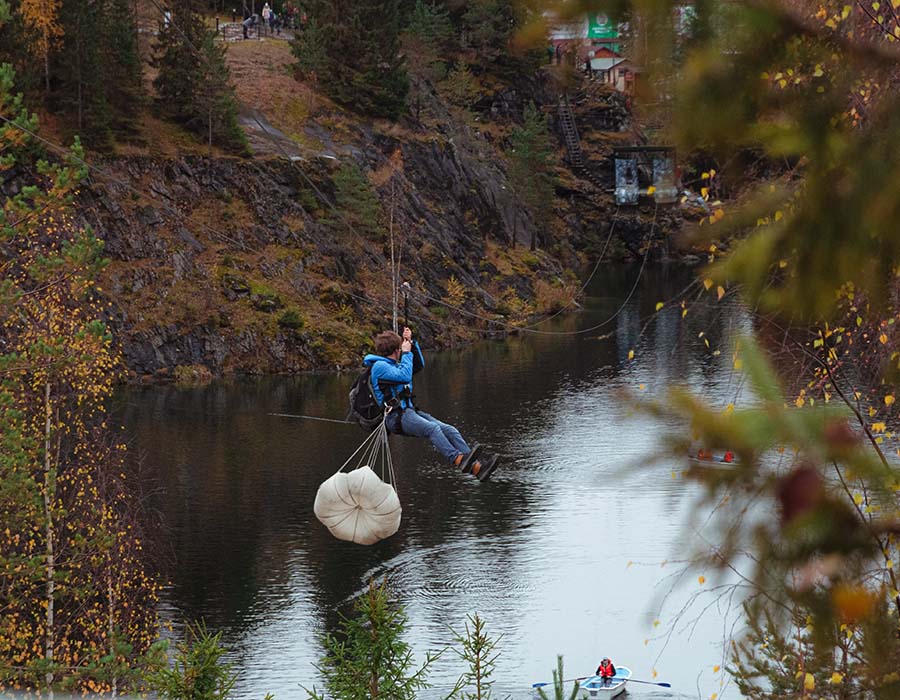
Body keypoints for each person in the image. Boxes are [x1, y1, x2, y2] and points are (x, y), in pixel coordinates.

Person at [363, 328, 499, 479]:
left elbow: (419, 365)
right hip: (395, 417)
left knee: (449, 430)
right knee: (432, 429)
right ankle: (458, 459)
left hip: (409, 412)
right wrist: (407, 353)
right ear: (397, 350)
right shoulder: (380, 367)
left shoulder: (395, 364)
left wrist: (412, 344)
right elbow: (404, 376)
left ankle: (477, 467)